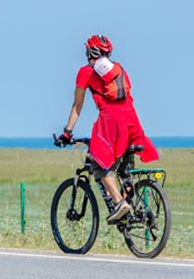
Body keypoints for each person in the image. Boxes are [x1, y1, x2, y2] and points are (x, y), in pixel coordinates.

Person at [56, 34, 159, 223]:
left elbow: (77, 105)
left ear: (89, 52)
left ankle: (120, 204)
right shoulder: (120, 70)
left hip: (111, 122)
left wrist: (67, 132)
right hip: (132, 122)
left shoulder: (85, 72)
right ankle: (130, 214)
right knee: (125, 169)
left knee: (98, 165)